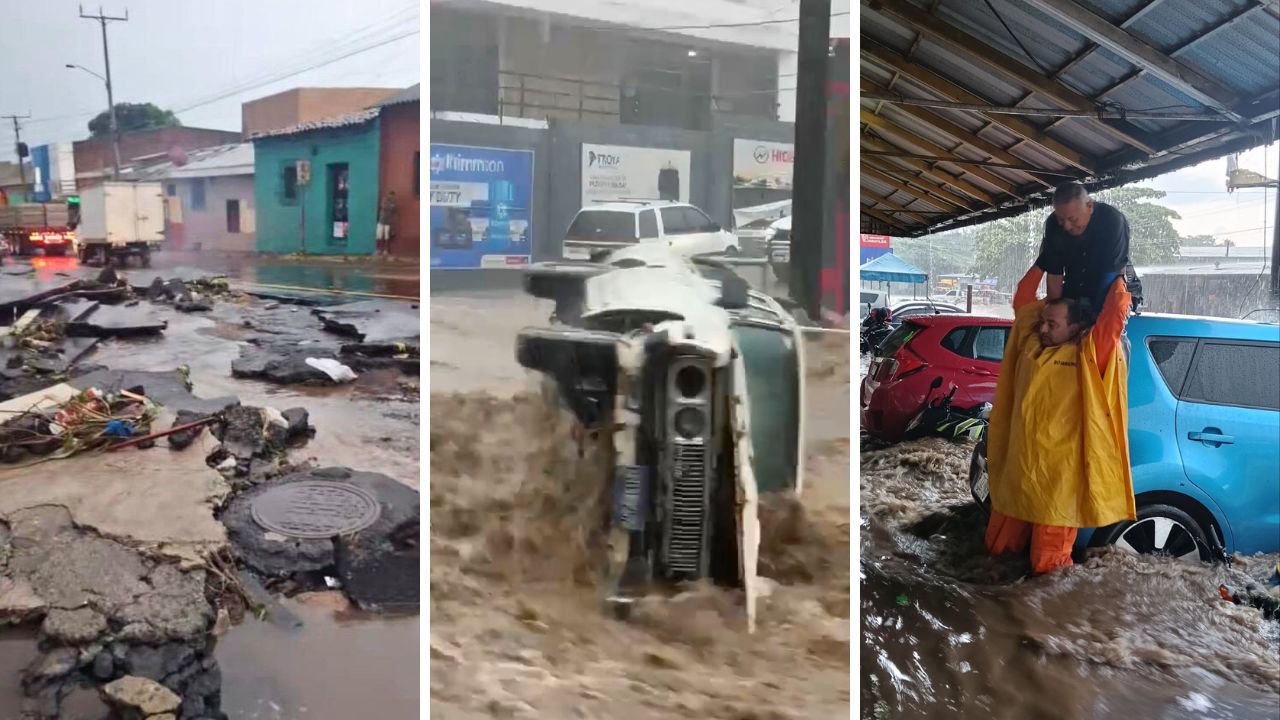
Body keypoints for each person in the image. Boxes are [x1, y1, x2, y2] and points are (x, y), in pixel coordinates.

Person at [983, 266, 1135, 574]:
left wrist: (1118, 267)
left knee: (1048, 566)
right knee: (996, 550)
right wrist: (1046, 261)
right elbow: (1024, 300)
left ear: (1077, 327)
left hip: (1059, 488)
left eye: (1052, 324)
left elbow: (1115, 315)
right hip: (1020, 476)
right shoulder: (1030, 345)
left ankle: (1047, 621)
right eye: (1043, 322)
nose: (1043, 329)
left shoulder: (1091, 355)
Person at [1027, 182, 1130, 310]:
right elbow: (1054, 275)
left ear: (1089, 206)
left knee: (1111, 313)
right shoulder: (1053, 225)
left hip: (1112, 286)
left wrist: (1093, 320)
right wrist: (1053, 314)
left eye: (1073, 219)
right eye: (1061, 219)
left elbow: (1110, 275)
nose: (1066, 226)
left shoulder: (1111, 220)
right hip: (1073, 288)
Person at [377, 191, 397, 256]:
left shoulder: (393, 202)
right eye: (391, 195)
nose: (391, 197)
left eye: (392, 196)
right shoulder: (385, 200)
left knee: (386, 237)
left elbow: (393, 209)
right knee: (379, 236)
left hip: (388, 222)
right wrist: (389, 206)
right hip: (381, 220)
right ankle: (379, 250)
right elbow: (383, 206)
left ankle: (385, 250)